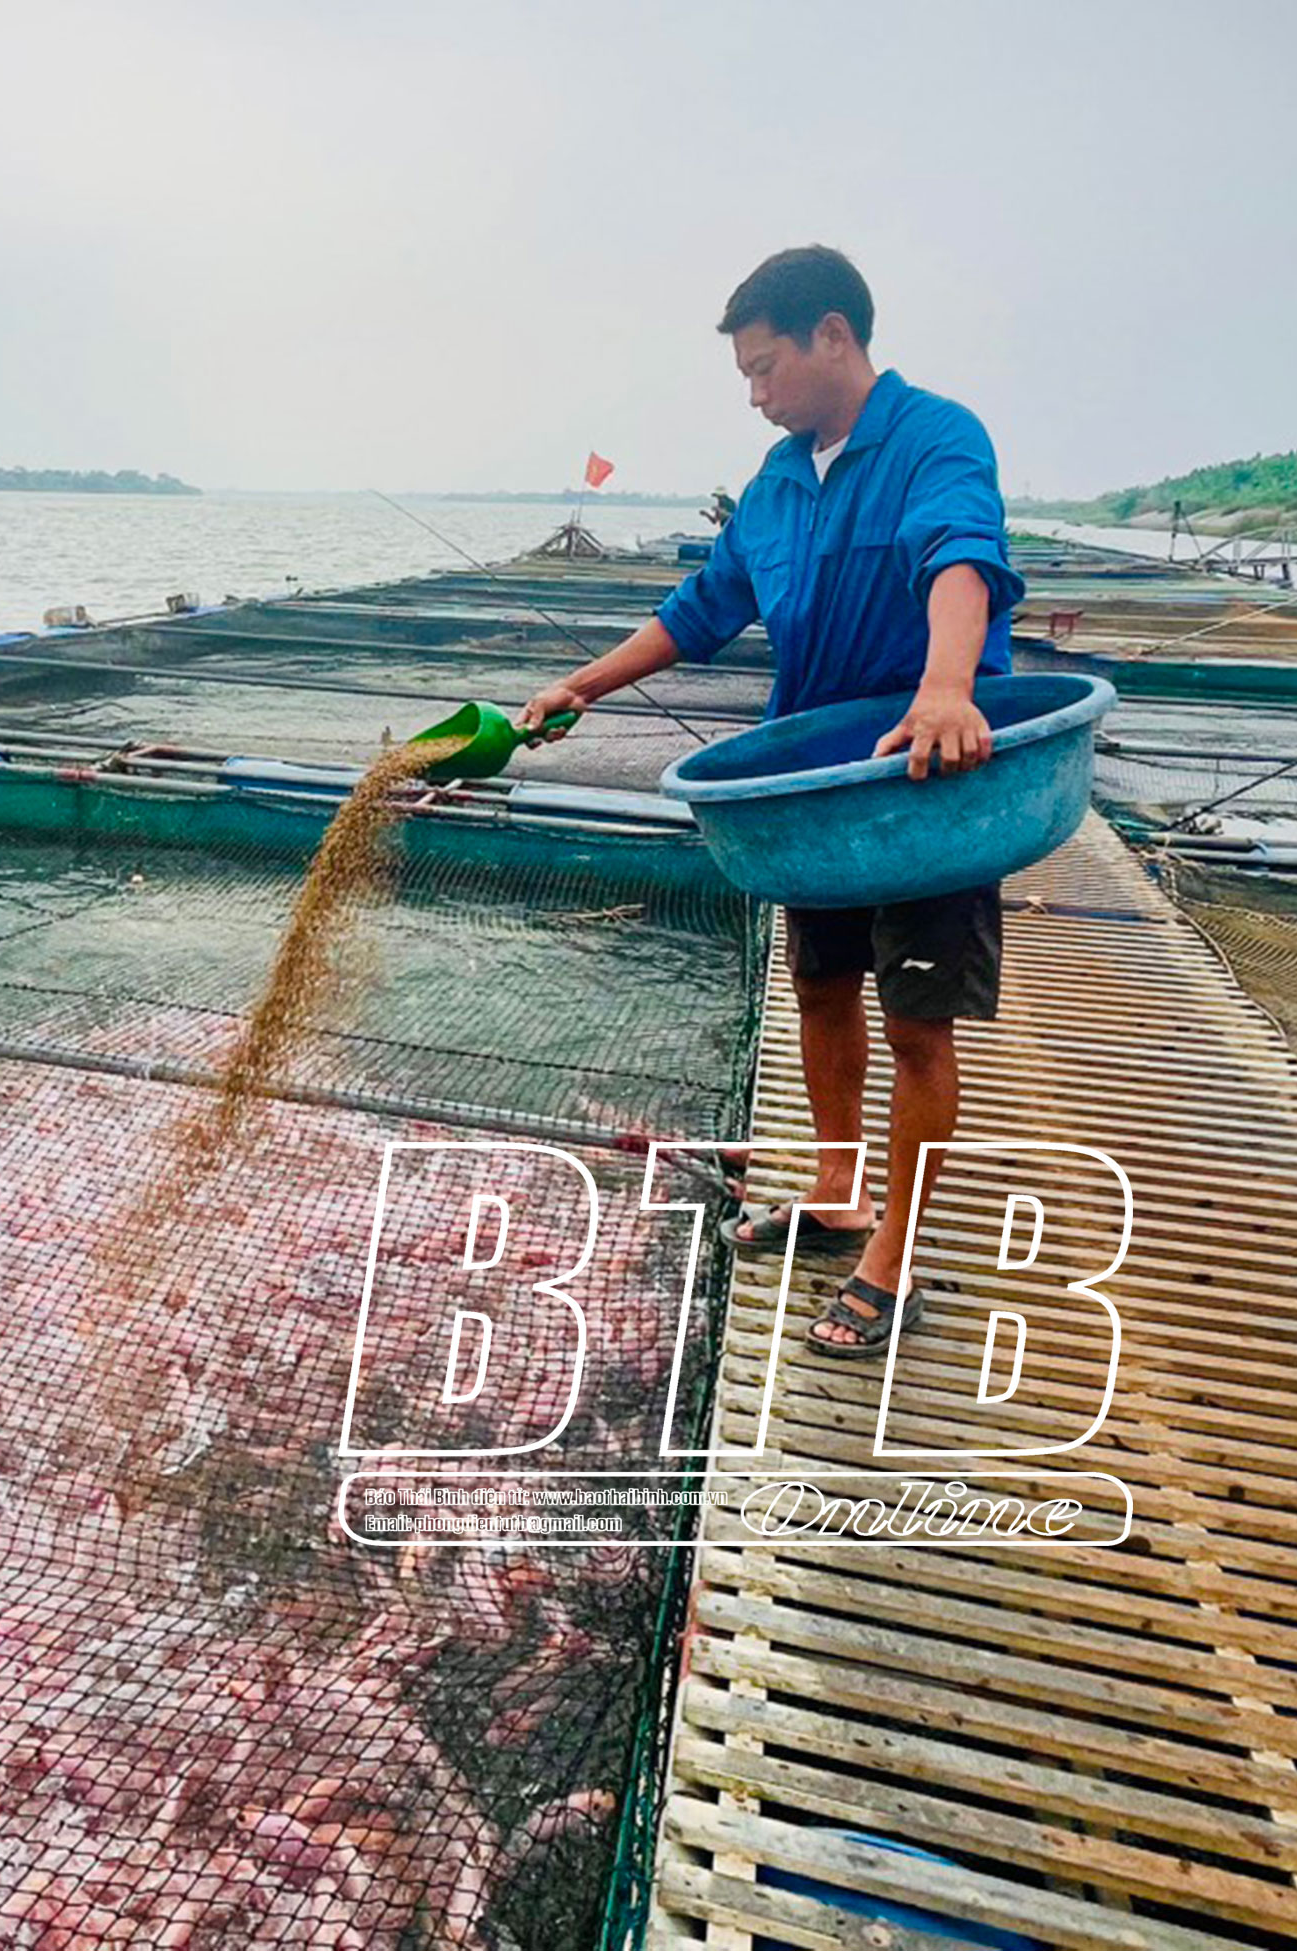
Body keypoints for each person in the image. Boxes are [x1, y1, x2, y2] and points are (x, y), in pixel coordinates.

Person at [518, 244, 1022, 1361]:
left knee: (919, 1021)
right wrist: (582, 687)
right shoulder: (779, 481)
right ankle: (840, 1193)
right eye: (744, 376)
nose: (754, 395)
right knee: (822, 988)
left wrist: (947, 688)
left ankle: (895, 1252)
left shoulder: (937, 436)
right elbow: (702, 606)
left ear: (832, 335)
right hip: (814, 793)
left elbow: (962, 557)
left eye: (763, 368)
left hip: (927, 781)